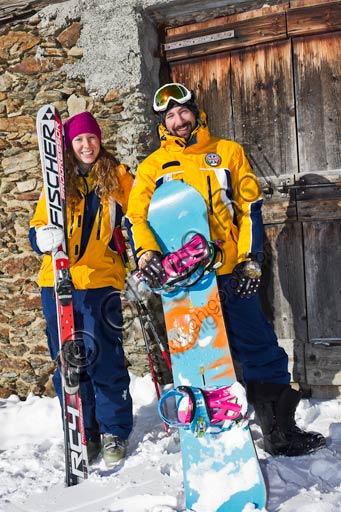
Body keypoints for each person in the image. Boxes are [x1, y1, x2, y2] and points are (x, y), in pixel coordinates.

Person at [126, 83, 326, 456]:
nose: (177, 120)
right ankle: (208, 431)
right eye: (169, 116)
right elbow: (136, 216)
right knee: (198, 356)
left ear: (195, 112)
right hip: (186, 281)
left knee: (259, 347)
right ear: (162, 125)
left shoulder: (227, 152)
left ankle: (279, 431)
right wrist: (146, 255)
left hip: (230, 270)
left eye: (182, 111)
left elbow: (250, 208)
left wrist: (252, 261)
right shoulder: (152, 166)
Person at [29, 111, 134, 467]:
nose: (86, 145)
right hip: (57, 283)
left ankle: (113, 430)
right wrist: (42, 238)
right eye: (78, 140)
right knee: (69, 362)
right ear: (68, 146)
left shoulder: (119, 178)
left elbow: (140, 216)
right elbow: (37, 228)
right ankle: (82, 431)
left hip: (100, 281)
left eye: (91, 138)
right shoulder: (57, 181)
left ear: (99, 140)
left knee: (105, 356)